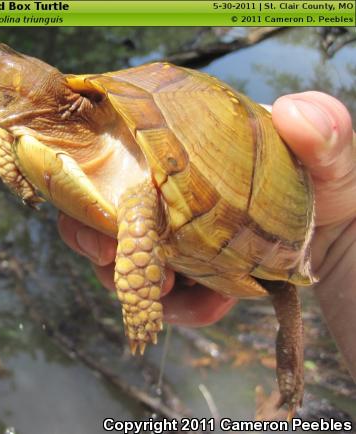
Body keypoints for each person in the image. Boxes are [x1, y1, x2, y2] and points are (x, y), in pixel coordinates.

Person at [57, 91, 356, 381]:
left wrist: (342, 236)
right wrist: (340, 243)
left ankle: (291, 379)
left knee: (283, 292)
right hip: (218, 242)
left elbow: (143, 199)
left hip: (267, 220)